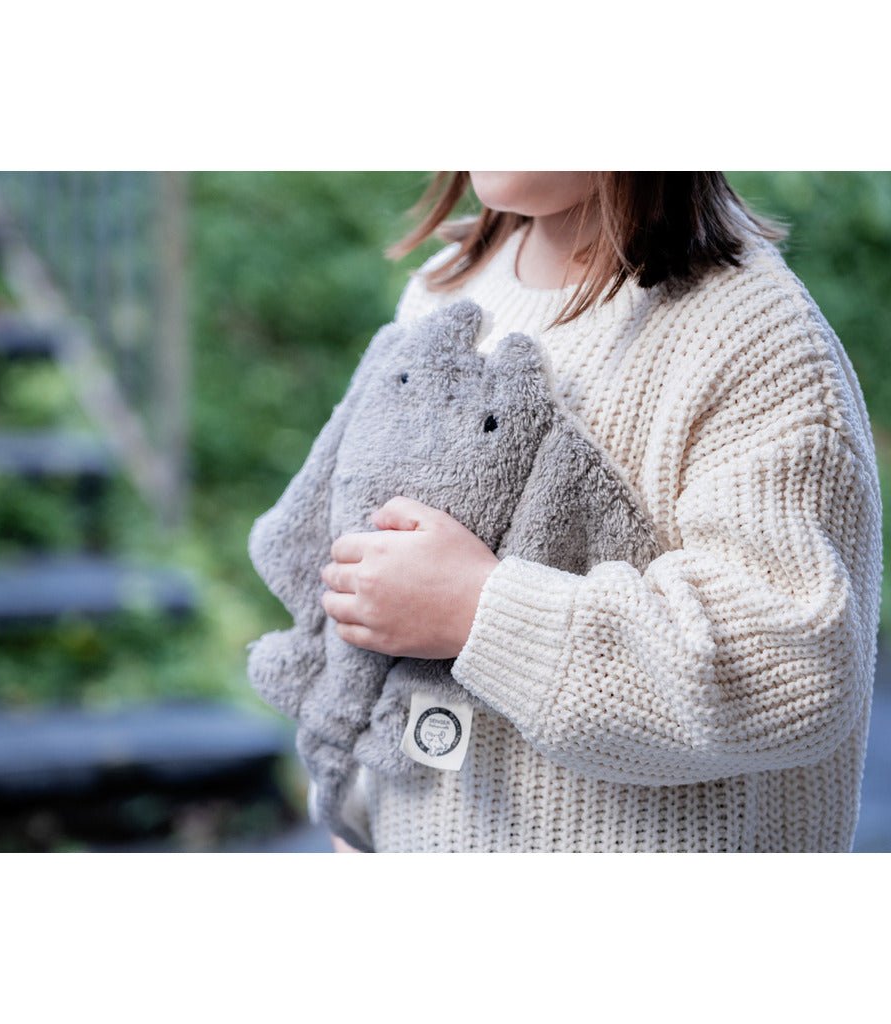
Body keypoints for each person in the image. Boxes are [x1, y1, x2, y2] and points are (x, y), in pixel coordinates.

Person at [310, 172, 883, 853]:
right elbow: (373, 576)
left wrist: (480, 611)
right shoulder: (442, 292)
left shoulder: (756, 339)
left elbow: (793, 668)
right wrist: (353, 807)